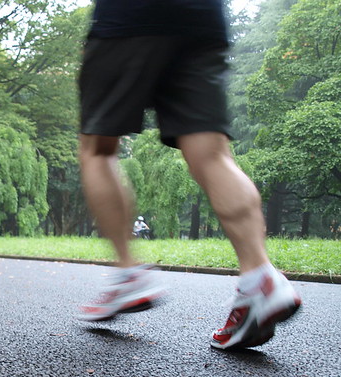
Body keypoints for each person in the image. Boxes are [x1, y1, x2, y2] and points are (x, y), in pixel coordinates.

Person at [75, 0, 301, 350]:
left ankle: (129, 272)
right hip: (202, 19)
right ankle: (261, 278)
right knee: (212, 154)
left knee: (98, 148)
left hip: (128, 18)